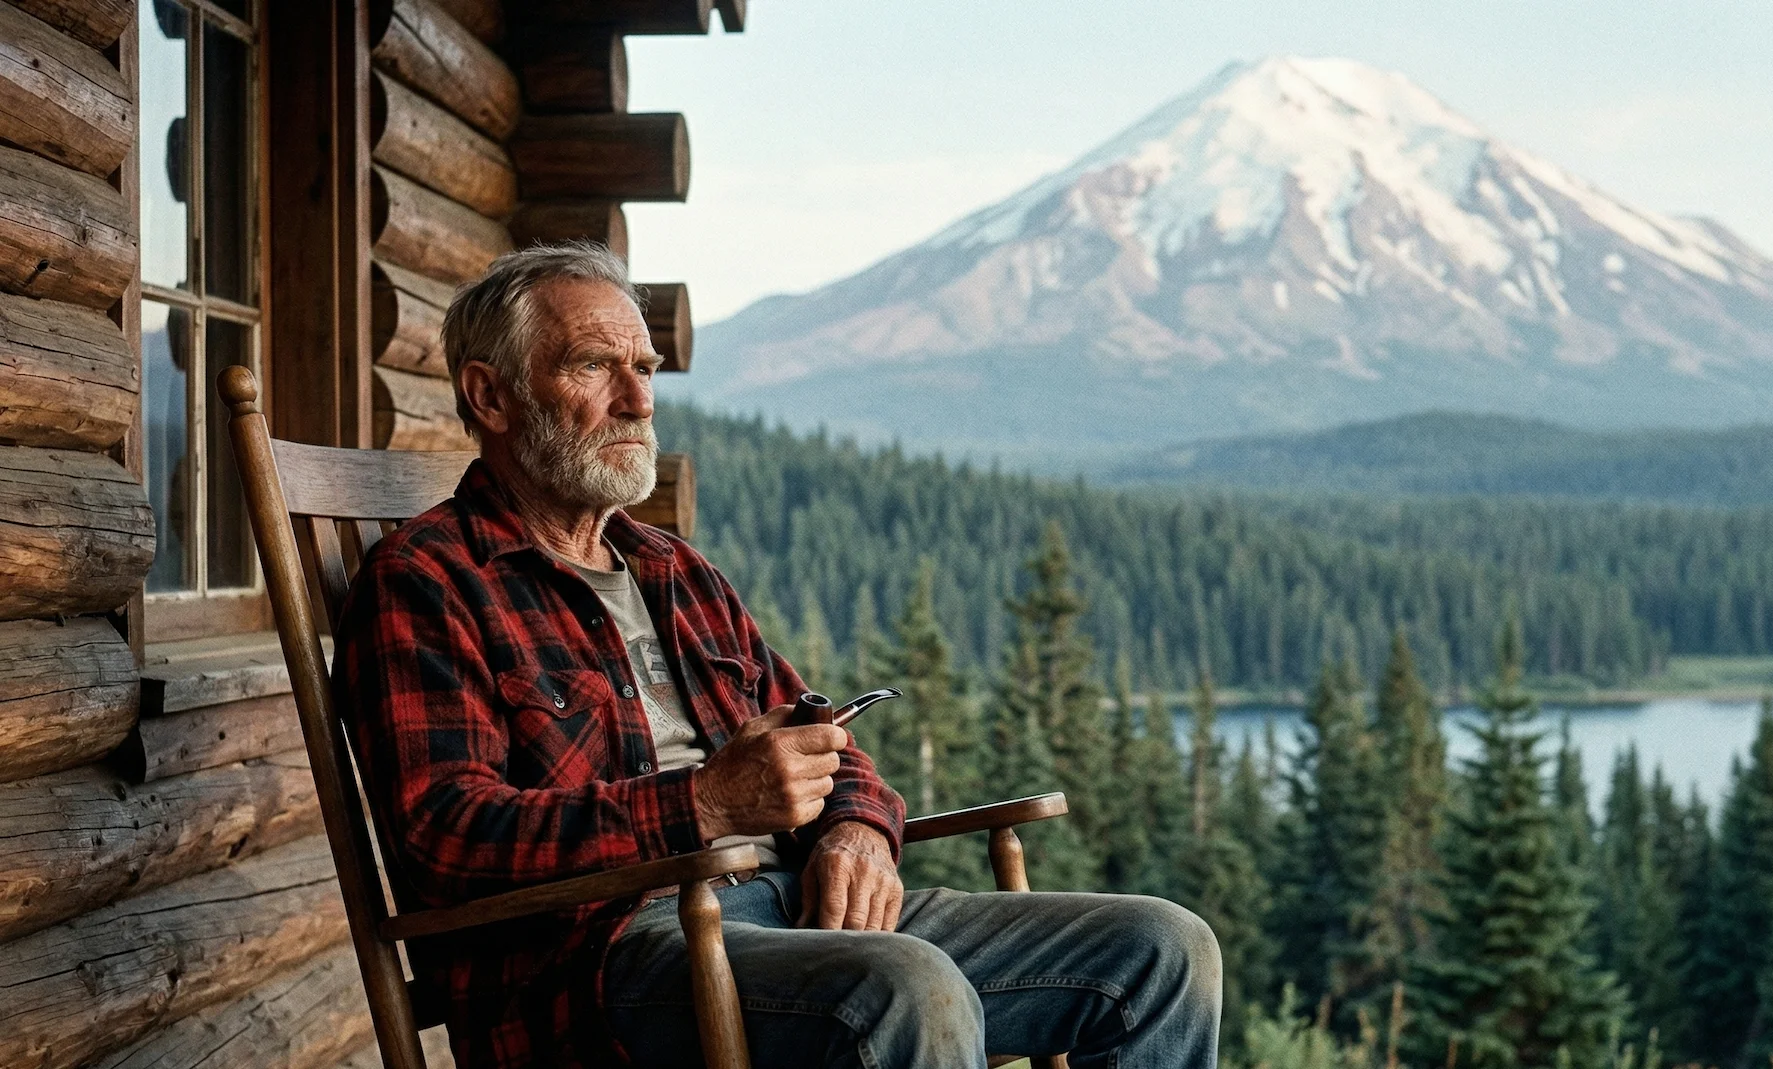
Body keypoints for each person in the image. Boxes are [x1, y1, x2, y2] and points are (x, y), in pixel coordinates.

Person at [332, 242, 1221, 1069]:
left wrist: (857, 831)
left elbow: (825, 741)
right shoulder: (428, 581)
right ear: (489, 395)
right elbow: (444, 832)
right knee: (906, 988)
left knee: (1162, 949)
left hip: (796, 910)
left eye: (642, 369)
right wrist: (707, 802)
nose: (638, 402)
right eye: (593, 366)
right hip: (611, 955)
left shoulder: (674, 571)